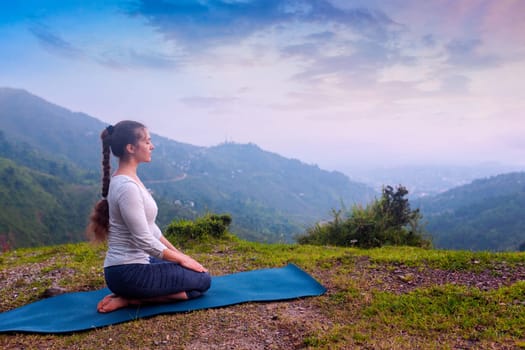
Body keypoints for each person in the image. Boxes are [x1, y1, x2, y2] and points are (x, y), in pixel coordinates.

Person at [87, 120, 211, 313]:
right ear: (130, 148)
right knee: (202, 281)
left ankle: (130, 296)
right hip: (128, 273)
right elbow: (144, 239)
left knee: (193, 269)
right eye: (147, 142)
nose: (151, 146)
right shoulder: (127, 187)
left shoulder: (131, 180)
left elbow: (152, 230)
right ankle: (131, 300)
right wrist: (181, 260)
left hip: (137, 263)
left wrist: (180, 255)